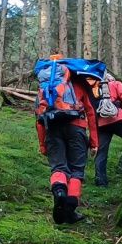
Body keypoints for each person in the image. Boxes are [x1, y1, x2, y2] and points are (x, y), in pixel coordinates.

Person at [35, 54, 99, 224]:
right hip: (77, 128)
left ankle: (59, 194)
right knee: (77, 170)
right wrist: (94, 142)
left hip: (52, 128)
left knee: (58, 167)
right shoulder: (78, 84)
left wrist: (42, 144)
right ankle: (70, 209)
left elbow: (39, 117)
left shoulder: (45, 87)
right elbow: (91, 114)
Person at [87, 73, 122, 187]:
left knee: (101, 151)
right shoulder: (115, 84)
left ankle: (100, 182)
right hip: (116, 119)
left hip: (101, 122)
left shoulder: (93, 89)